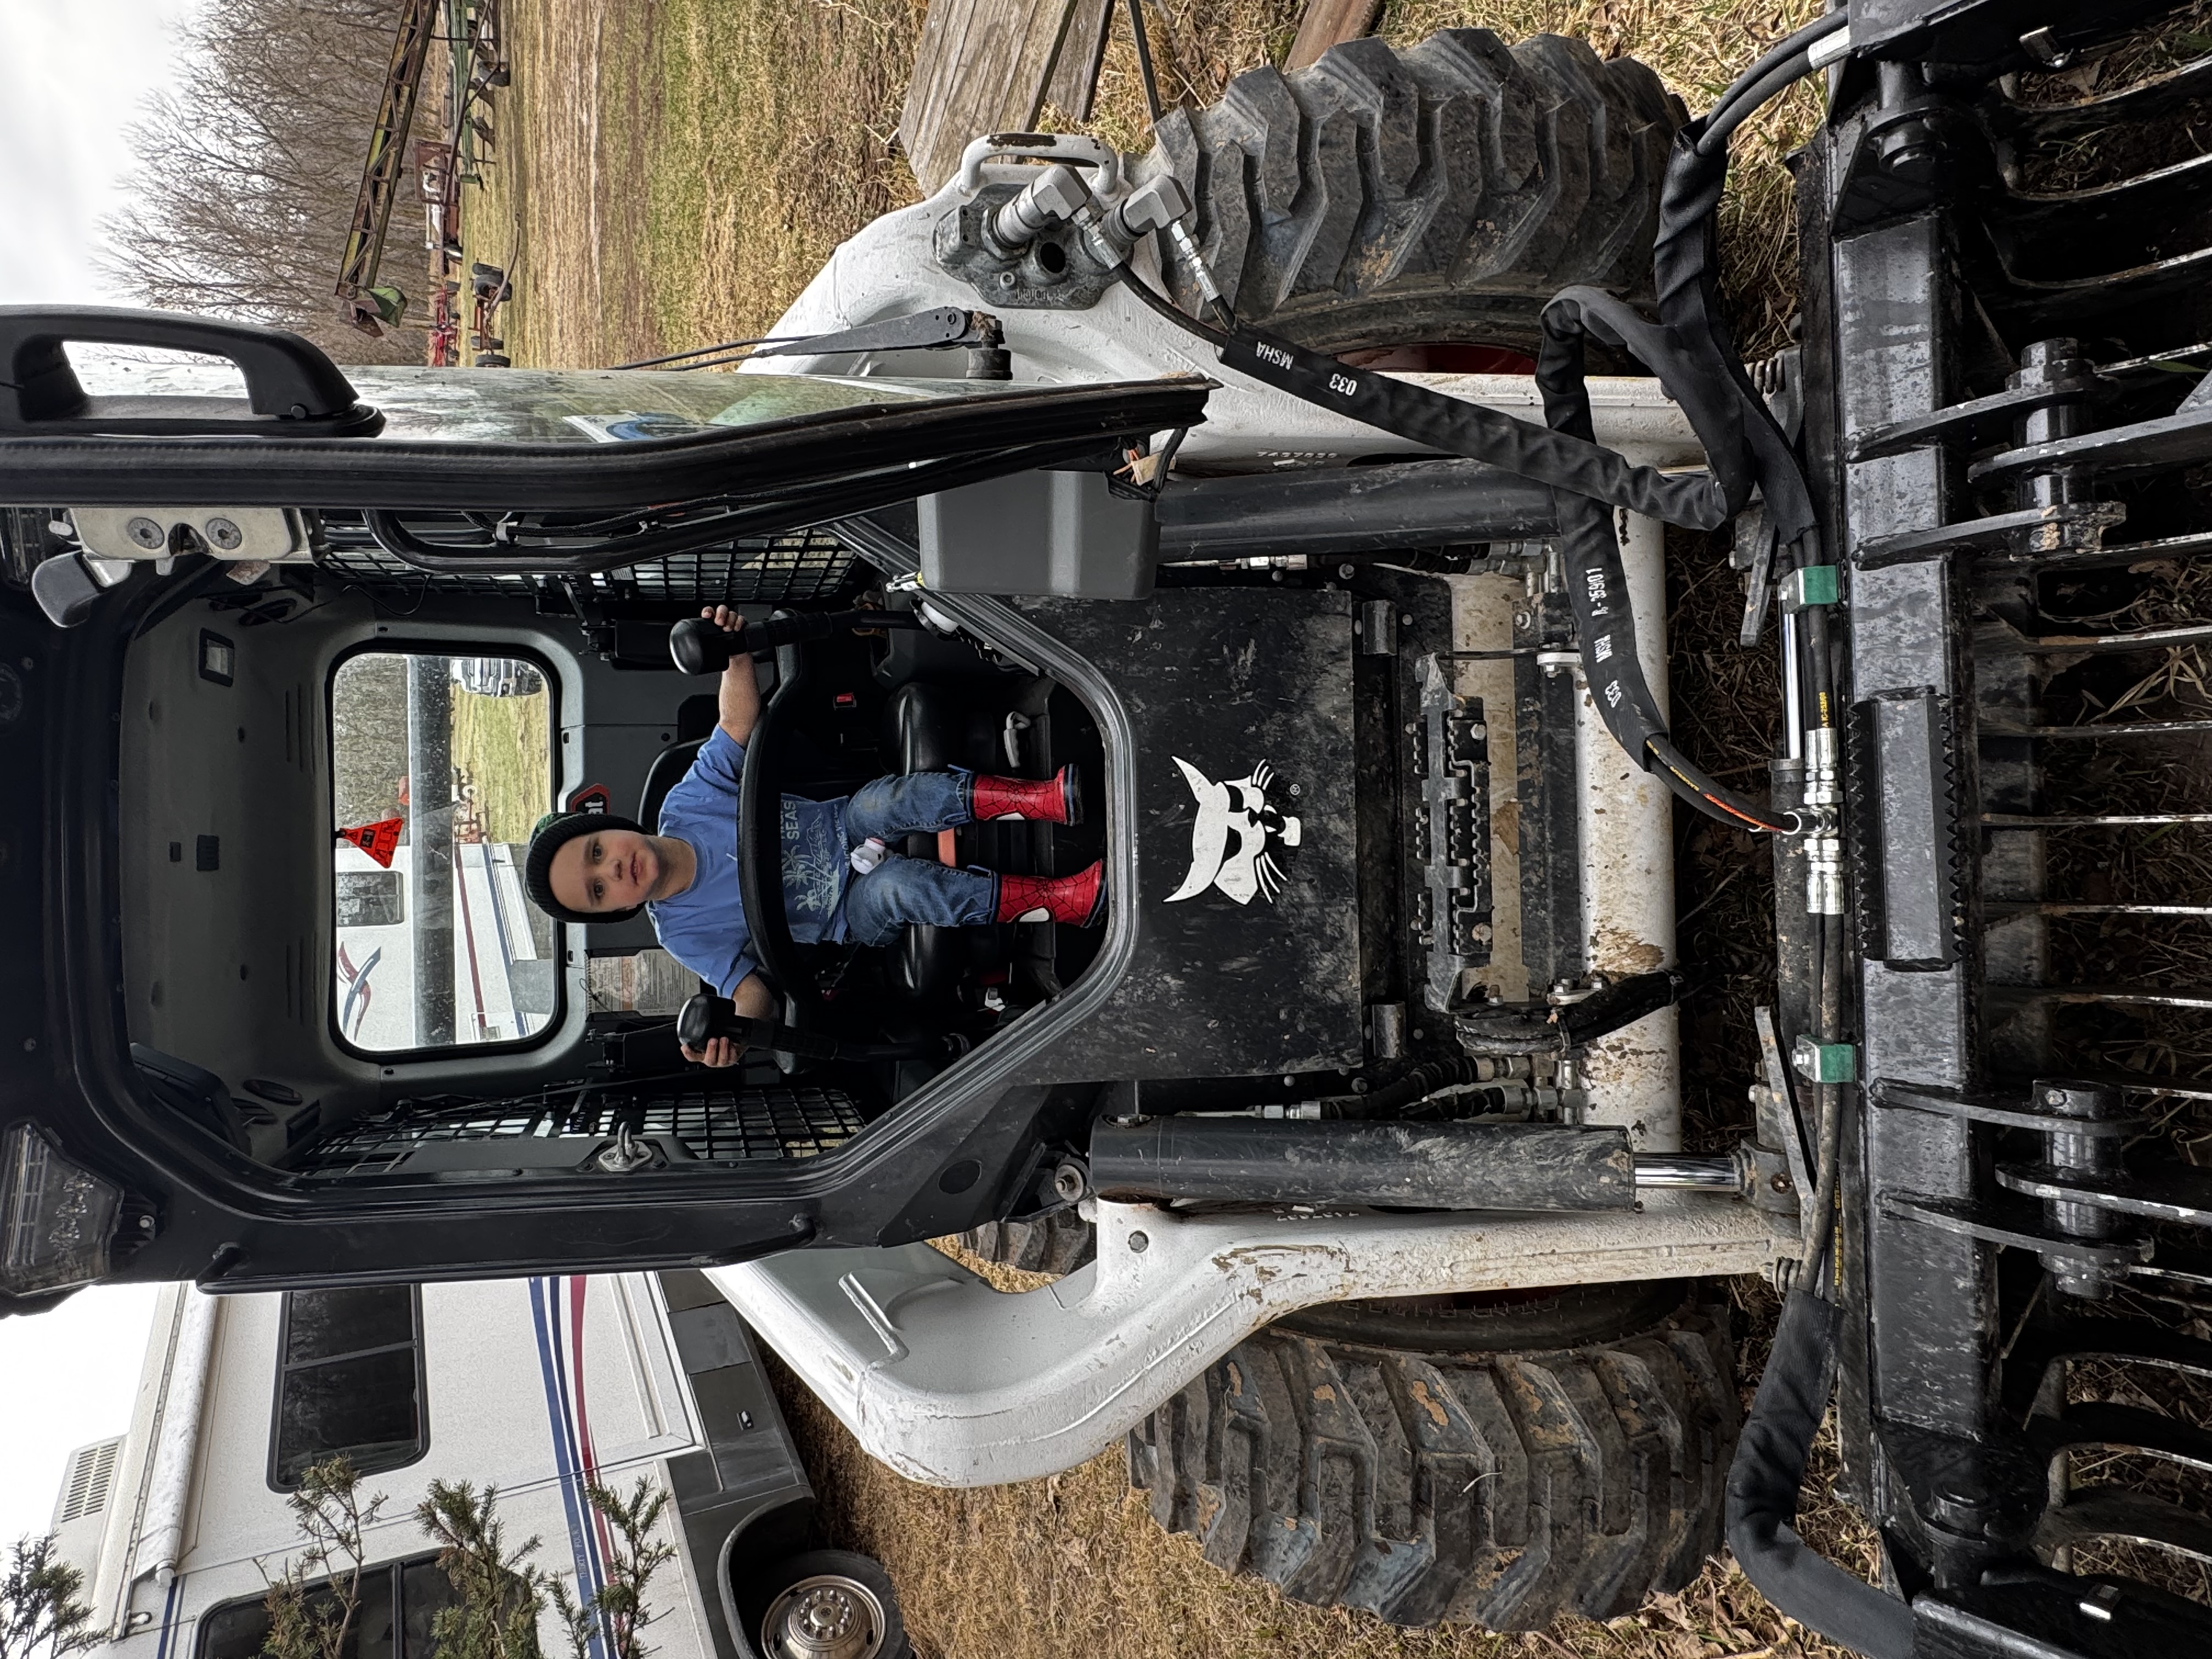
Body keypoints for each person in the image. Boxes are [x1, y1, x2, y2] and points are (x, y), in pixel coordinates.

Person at [523, 607, 1105, 1066]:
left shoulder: (687, 802)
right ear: (615, 911)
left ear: (611, 827)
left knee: (887, 801)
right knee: (898, 889)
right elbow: (750, 992)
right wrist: (737, 1033)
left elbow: (735, 725)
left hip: (844, 823)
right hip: (848, 909)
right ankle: (1059, 900)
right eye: (598, 891)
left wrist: (736, 658)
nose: (611, 870)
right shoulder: (682, 933)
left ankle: (1040, 800)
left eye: (596, 852)